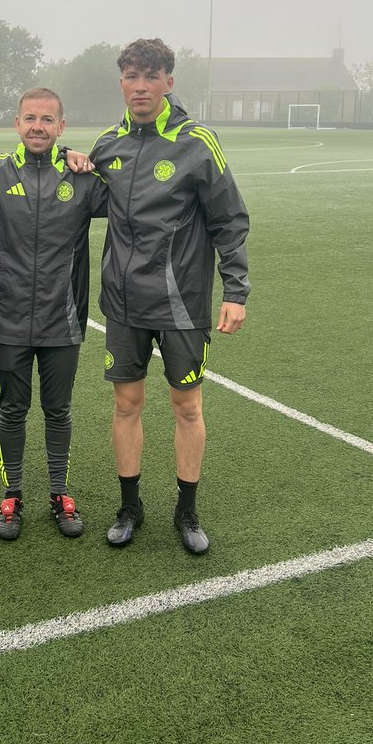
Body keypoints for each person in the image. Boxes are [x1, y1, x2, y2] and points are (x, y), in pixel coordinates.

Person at [89, 38, 250, 554]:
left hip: (182, 301)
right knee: (126, 402)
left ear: (169, 83)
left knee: (186, 405)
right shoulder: (107, 145)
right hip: (124, 303)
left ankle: (187, 511)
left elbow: (230, 219)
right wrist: (69, 162)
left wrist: (236, 290)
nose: (141, 87)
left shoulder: (197, 141)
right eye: (132, 77)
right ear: (121, 83)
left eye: (152, 77)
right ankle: (130, 506)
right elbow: (78, 194)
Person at [0, 88, 107, 541]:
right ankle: (11, 494)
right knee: (12, 409)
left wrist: (89, 159)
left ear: (61, 127)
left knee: (58, 410)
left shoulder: (82, 180)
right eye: (30, 117)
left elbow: (136, 191)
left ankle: (58, 492)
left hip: (62, 319)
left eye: (48, 120)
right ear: (16, 122)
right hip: (5, 318)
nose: (38, 126)